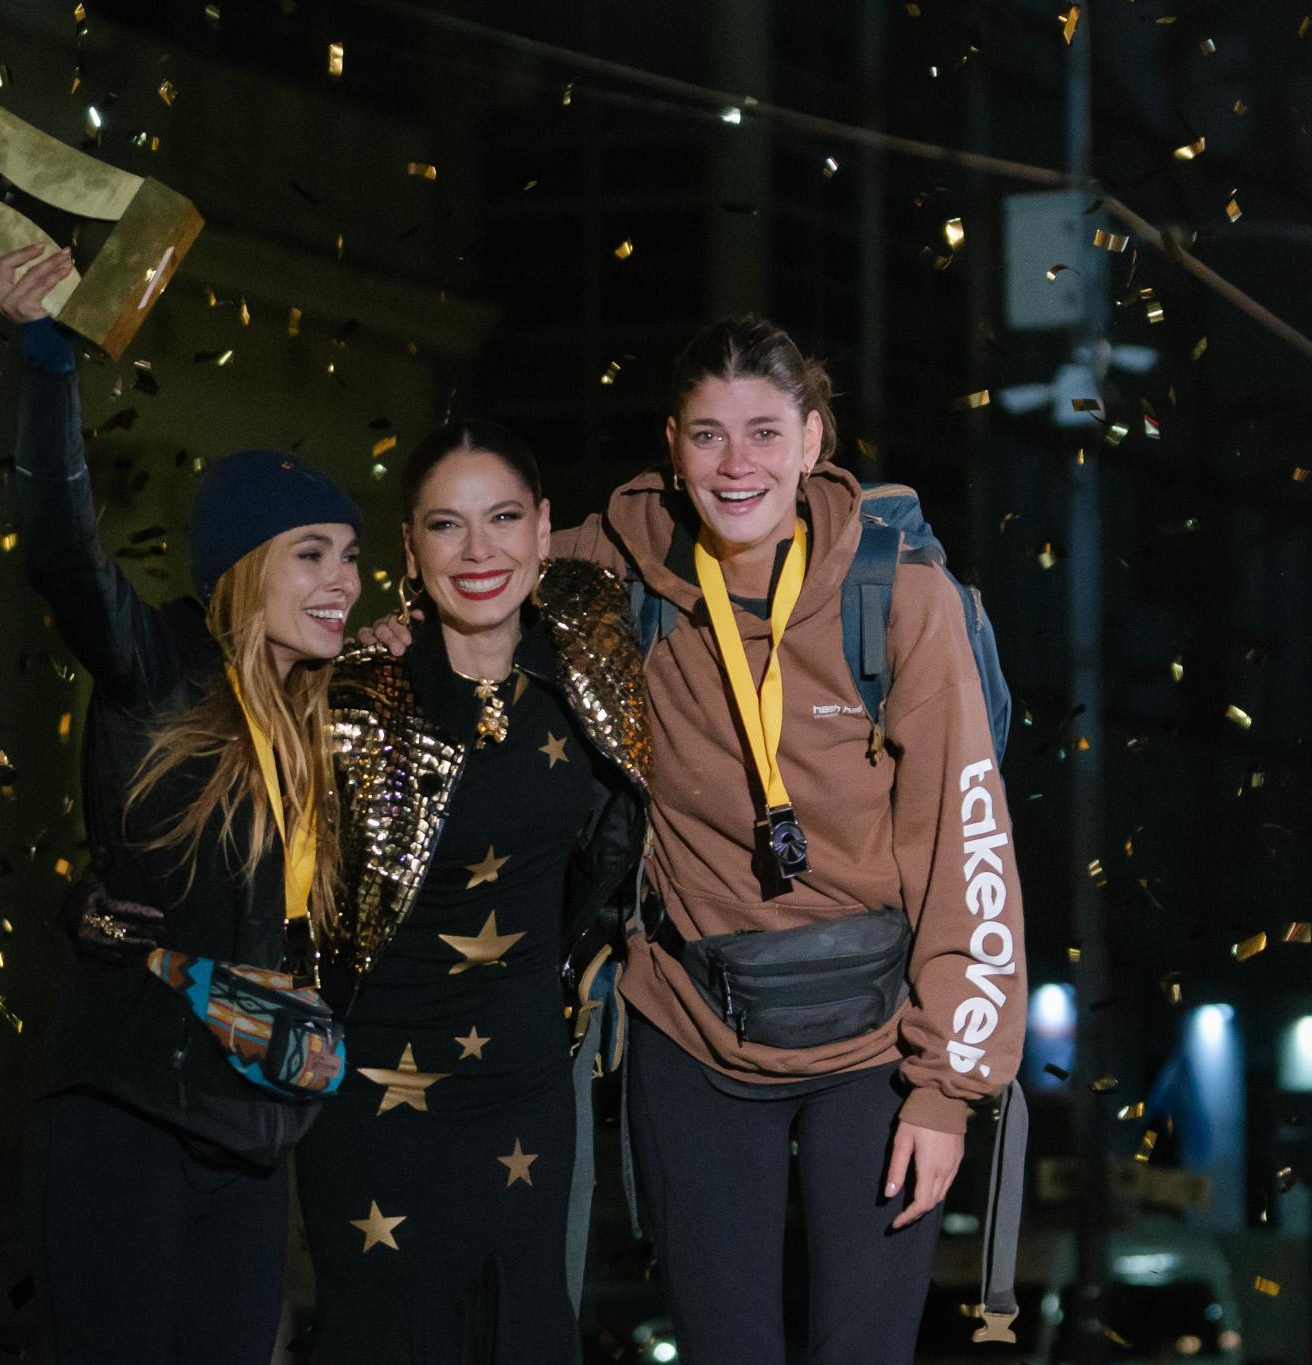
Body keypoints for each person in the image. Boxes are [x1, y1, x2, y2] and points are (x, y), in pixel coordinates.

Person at [363, 316, 1027, 1364]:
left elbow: (968, 850)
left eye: (764, 433)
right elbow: (485, 561)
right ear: (671, 447)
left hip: (876, 1047)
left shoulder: (898, 597)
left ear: (811, 442)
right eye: (708, 435)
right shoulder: (613, 574)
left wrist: (946, 1092)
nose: (735, 465)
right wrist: (400, 627)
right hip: (691, 1028)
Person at [0, 240, 364, 1364]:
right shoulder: (160, 669)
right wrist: (47, 360)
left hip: (251, 1144)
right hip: (125, 1116)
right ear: (243, 569)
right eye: (313, 554)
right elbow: (61, 554)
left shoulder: (324, 725)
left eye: (350, 556)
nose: (343, 579)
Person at [296, 421, 651, 1365]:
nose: (479, 550)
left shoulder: (589, 652)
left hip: (527, 1090)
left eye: (502, 518)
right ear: (410, 550)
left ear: (544, 528)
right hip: (374, 1101)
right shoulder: (350, 696)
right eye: (446, 525)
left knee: (524, 1333)